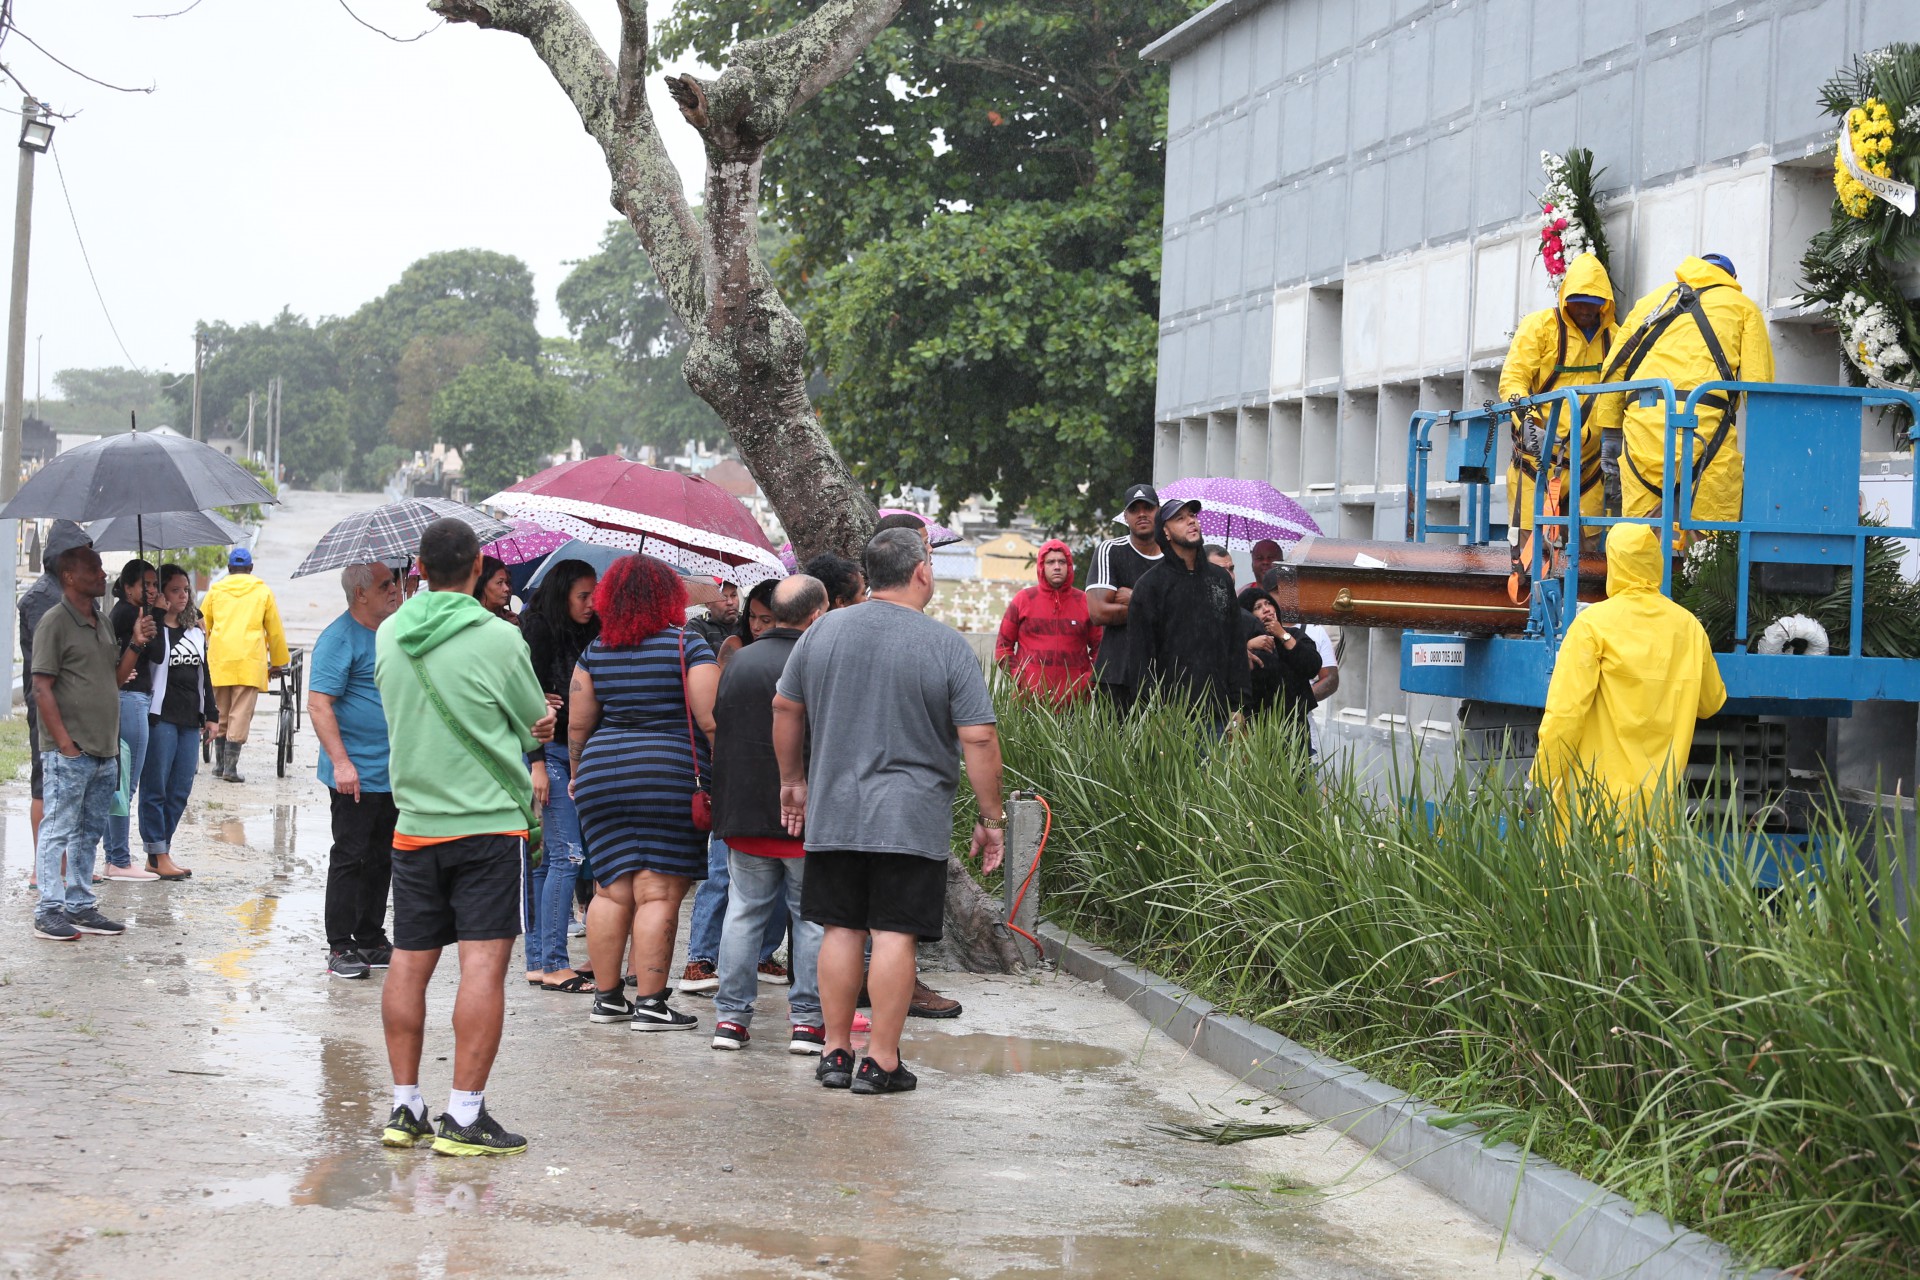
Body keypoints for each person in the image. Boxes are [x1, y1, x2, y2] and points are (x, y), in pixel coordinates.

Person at [772, 528, 1006, 1095]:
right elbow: (977, 738)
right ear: (922, 572)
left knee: (841, 930)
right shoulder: (945, 644)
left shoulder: (821, 632)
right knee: (895, 934)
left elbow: (784, 705)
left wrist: (793, 781)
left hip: (834, 811)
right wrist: (991, 818)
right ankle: (880, 1060)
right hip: (910, 817)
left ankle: (833, 1053)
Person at [372, 518, 554, 1156]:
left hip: (415, 824)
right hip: (486, 826)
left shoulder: (390, 632)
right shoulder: (500, 638)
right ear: (478, 567)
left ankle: (404, 1106)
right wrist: (545, 724)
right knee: (481, 966)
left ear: (418, 567)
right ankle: (464, 1114)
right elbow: (533, 723)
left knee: (409, 962)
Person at [570, 553, 719, 1033]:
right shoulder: (688, 646)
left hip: (601, 775)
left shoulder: (595, 651)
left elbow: (577, 725)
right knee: (657, 894)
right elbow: (710, 719)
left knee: (610, 892)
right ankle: (652, 1005)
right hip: (667, 776)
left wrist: (577, 772)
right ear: (669, 598)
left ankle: (608, 998)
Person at [1532, 522, 1726, 832]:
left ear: (1614, 565)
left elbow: (1565, 715)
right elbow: (1711, 703)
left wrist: (1540, 779)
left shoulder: (1592, 626)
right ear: (1656, 563)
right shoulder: (1688, 627)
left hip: (1591, 809)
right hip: (1654, 814)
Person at [709, 574, 830, 1053]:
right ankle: (806, 1021)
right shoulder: (819, 662)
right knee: (811, 918)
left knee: (743, 913)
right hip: (806, 814)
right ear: (817, 614)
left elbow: (723, 730)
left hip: (744, 811)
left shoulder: (738, 662)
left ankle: (730, 1020)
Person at [1593, 254, 1774, 525]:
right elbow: (1758, 386)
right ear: (1731, 280)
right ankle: (1703, 563)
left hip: (1645, 427)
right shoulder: (1743, 307)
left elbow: (1615, 368)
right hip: (1707, 432)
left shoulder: (1650, 302)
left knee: (1639, 534)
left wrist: (1610, 433)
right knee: (1711, 533)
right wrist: (1766, 448)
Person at [30, 545, 153, 941]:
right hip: (71, 750)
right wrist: (64, 744)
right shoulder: (54, 622)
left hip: (104, 749)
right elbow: (41, 688)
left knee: (89, 831)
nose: (103, 575)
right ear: (70, 576)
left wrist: (135, 643)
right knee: (59, 829)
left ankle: (80, 903)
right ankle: (48, 909)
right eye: (94, 569)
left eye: (101, 568)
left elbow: (113, 679)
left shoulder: (100, 620)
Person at [682, 574, 790, 995]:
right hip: (740, 773)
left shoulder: (789, 654)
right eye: (756, 618)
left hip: (776, 777)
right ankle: (700, 957)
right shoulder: (735, 651)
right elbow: (716, 715)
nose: (761, 626)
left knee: (776, 879)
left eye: (770, 618)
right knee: (722, 875)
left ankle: (763, 954)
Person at [310, 562, 405, 981]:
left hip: (393, 769)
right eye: (386, 584)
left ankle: (370, 935)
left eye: (395, 582)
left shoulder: (391, 632)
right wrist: (342, 762)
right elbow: (318, 704)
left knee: (383, 855)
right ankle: (340, 944)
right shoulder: (338, 638)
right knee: (351, 855)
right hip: (354, 771)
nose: (395, 589)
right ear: (360, 594)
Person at [518, 558, 600, 992]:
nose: (590, 604)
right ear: (562, 592)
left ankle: (538, 959)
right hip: (546, 752)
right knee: (567, 856)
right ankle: (552, 962)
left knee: (549, 860)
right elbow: (523, 701)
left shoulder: (590, 628)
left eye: (594, 595)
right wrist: (535, 765)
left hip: (570, 752)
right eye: (582, 596)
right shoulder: (537, 628)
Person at [1499, 252, 1617, 539]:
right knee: (1529, 548)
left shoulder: (1615, 336)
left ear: (1605, 305)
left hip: (1590, 466)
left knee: (1587, 550)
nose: (1587, 311)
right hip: (1537, 459)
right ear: (1565, 298)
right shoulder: (1539, 327)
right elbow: (1514, 379)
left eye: (1595, 304)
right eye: (1579, 304)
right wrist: (1528, 424)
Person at [1127, 498, 1251, 721]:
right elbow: (1141, 659)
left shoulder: (1220, 578)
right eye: (1180, 519)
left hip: (1221, 715)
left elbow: (1235, 646)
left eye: (1192, 516)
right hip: (1171, 719)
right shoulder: (1150, 586)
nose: (1191, 522)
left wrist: (1239, 704)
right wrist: (1153, 712)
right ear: (1165, 532)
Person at [20, 520, 93, 870]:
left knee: (69, 786)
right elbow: (46, 664)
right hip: (49, 705)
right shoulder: (41, 599)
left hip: (72, 704)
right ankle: (43, 868)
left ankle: (62, 865)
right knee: (45, 781)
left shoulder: (69, 597)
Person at [139, 565, 217, 882]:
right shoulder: (153, 629)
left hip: (189, 719)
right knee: (155, 788)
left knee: (180, 789)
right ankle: (158, 854)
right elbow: (154, 658)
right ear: (161, 594)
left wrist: (211, 714)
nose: (183, 596)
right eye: (175, 590)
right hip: (161, 718)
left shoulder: (195, 630)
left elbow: (205, 675)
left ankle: (160, 852)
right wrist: (156, 616)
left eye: (186, 589)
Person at [202, 546, 289, 784]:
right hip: (250, 662)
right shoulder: (262, 593)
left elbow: (202, 626)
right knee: (240, 713)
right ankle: (230, 768)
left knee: (219, 710)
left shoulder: (215, 591)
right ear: (250, 569)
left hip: (219, 660)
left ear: (229, 569)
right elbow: (275, 631)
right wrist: (278, 662)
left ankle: (219, 766)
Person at [103, 559, 163, 881]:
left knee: (120, 782)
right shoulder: (128, 613)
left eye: (155, 584)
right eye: (146, 585)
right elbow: (157, 653)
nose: (152, 590)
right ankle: (119, 860)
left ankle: (114, 857)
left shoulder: (128, 613)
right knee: (126, 784)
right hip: (130, 700)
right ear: (128, 588)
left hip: (131, 698)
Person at [1085, 483, 1163, 710]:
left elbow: (1183, 614)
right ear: (1125, 516)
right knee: (1108, 745)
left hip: (1164, 674)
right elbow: (1098, 612)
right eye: (1134, 509)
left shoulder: (1174, 556)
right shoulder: (1110, 550)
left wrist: (1136, 598)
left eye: (1147, 508)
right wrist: (1157, 607)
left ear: (1158, 511)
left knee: (1161, 746)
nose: (1141, 514)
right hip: (1116, 672)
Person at [994, 539, 1102, 702]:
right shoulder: (1024, 599)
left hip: (1076, 703)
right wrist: (1020, 679)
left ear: (1069, 566)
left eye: (1062, 562)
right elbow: (1003, 647)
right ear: (1041, 566)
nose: (1057, 566)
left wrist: (1087, 682)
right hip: (1029, 702)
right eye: (1050, 562)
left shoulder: (1085, 601)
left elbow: (1101, 648)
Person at [1238, 586, 1321, 742]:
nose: (1266, 610)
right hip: (1257, 728)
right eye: (1258, 607)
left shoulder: (1294, 635)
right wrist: (1247, 647)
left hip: (1297, 726)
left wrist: (1282, 635)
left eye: (1268, 603)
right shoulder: (1241, 645)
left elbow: (1312, 666)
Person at [715, 577, 777, 665]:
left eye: (765, 620)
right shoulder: (735, 645)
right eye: (752, 616)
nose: (755, 627)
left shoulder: (796, 650)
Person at [687, 579, 739, 652]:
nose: (730, 602)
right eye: (723, 597)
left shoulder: (748, 623)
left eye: (733, 595)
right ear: (708, 603)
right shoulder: (696, 626)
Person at [473, 555, 518, 625]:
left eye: (507, 583)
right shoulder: (473, 621)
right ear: (481, 584)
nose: (507, 589)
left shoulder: (509, 617)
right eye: (500, 582)